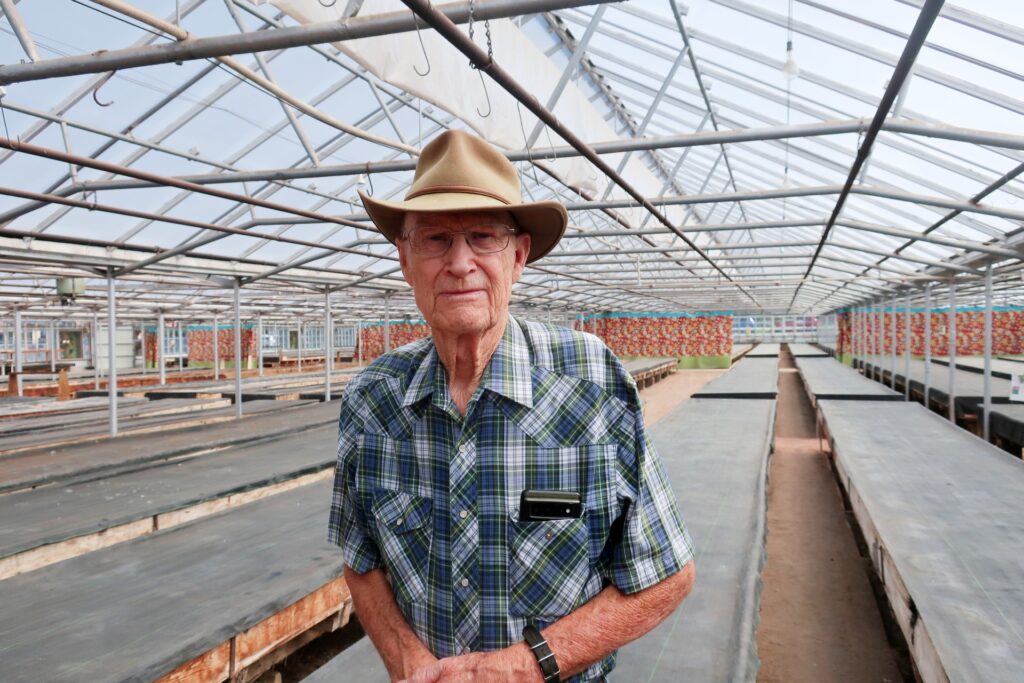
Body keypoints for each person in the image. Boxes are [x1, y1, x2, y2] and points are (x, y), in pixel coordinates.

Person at [328, 130, 695, 683]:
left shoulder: (589, 383)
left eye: (482, 238)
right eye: (433, 240)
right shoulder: (373, 400)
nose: (459, 263)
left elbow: (668, 573)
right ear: (405, 260)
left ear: (518, 255)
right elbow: (361, 559)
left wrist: (526, 666)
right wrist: (408, 660)